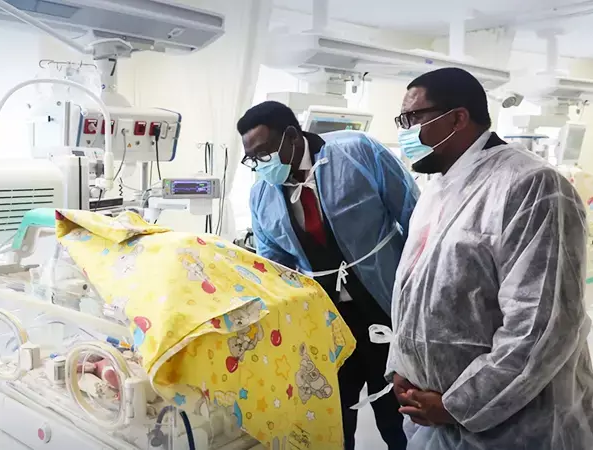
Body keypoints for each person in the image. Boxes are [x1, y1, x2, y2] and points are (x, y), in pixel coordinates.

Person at [386, 67, 593, 449]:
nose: (406, 132)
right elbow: (414, 296)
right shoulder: (437, 189)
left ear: (458, 118)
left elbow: (541, 326)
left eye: (413, 118)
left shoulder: (532, 185)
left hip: (512, 428)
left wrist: (457, 405)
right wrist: (401, 367)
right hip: (433, 416)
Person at [237, 101, 419, 449]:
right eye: (252, 158)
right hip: (326, 323)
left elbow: (413, 215)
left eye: (264, 152)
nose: (260, 164)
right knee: (332, 415)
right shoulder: (262, 196)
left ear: (292, 136)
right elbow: (274, 270)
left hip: (385, 304)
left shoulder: (356, 152)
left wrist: (421, 294)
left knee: (397, 413)